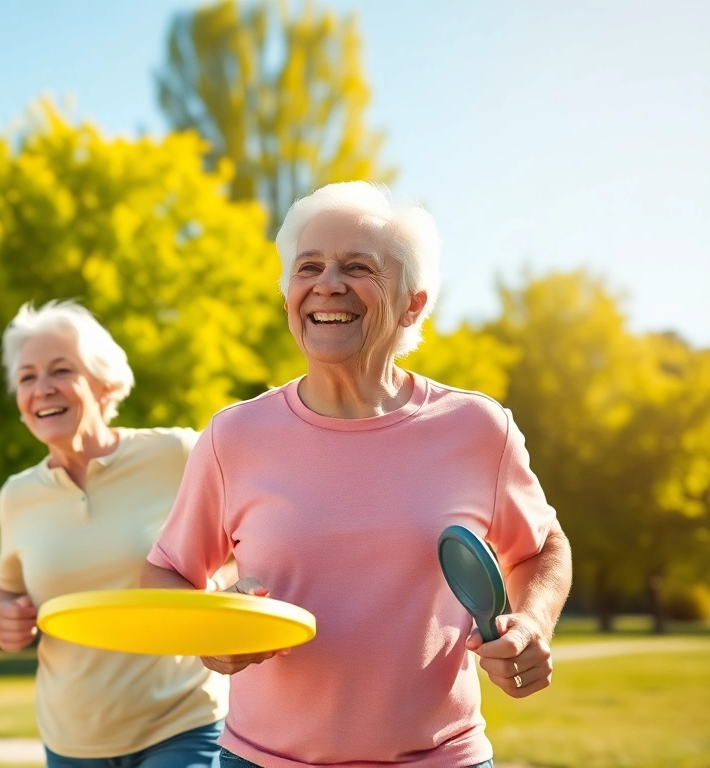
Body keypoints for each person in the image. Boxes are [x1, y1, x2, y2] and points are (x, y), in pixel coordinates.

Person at [142, 181, 572, 768]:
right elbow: (166, 573)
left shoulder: (477, 427)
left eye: (358, 267)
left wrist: (532, 622)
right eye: (308, 266)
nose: (328, 284)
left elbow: (542, 544)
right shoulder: (233, 436)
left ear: (413, 303)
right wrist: (213, 633)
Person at [0, 300, 229, 768]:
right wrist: (4, 615)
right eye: (27, 377)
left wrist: (216, 585)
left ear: (105, 385)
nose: (42, 389)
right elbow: (6, 586)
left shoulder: (177, 453)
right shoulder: (16, 496)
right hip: (71, 740)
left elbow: (248, 538)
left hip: (182, 722)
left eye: (61, 370)